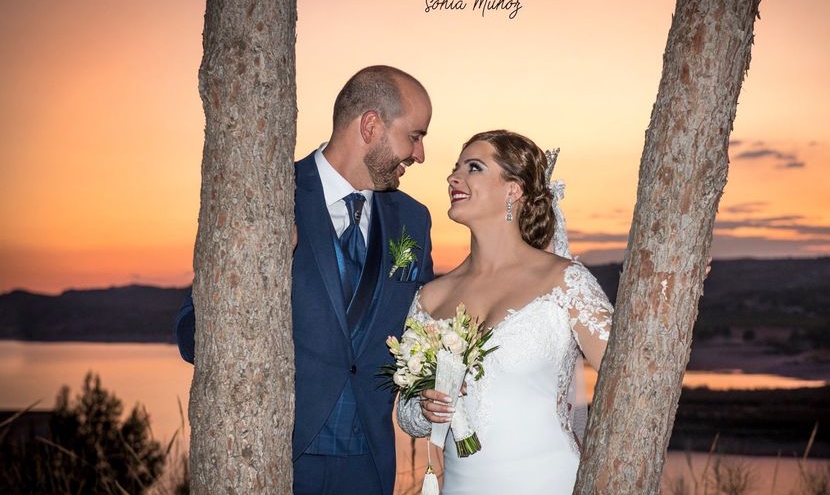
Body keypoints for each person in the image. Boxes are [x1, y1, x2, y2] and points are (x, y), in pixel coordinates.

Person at [175, 65, 435, 495]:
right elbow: (192, 337)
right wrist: (261, 266)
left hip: (369, 463)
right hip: (277, 460)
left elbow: (425, 329)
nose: (420, 155)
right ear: (370, 125)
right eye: (415, 135)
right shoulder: (270, 195)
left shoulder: (413, 219)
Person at [396, 130, 613, 494]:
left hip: (551, 481)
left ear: (513, 190)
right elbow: (408, 415)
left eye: (474, 167)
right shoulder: (430, 298)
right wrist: (425, 404)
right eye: (456, 168)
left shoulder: (563, 281)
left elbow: (630, 378)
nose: (454, 177)